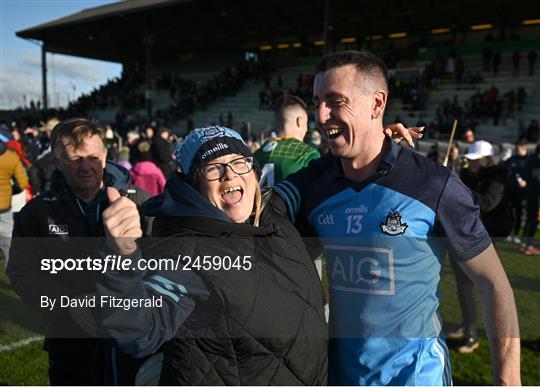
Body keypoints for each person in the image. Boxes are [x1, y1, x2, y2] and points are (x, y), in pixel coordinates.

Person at [274, 50, 520, 385]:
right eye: (317, 101)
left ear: (377, 104)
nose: (321, 114)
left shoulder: (433, 184)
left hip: (417, 377)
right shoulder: (317, 191)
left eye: (335, 101)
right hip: (340, 377)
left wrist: (508, 381)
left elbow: (493, 283)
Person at [98, 126, 328, 385]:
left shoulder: (275, 210)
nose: (229, 174)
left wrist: (378, 140)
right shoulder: (187, 254)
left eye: (238, 162)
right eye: (213, 168)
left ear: (253, 173)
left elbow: (321, 169)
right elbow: (139, 332)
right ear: (194, 187)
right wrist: (122, 256)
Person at [6, 118, 151, 385]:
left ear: (106, 156)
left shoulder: (142, 203)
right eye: (74, 159)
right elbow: (21, 271)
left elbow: (169, 269)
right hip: (70, 343)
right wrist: (69, 303)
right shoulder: (37, 213)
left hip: (135, 342)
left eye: (92, 157)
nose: (85, 166)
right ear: (57, 162)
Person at [449, 140, 514, 353]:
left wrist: (458, 187)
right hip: (467, 234)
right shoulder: (472, 175)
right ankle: (467, 328)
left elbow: (487, 203)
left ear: (487, 159)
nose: (473, 164)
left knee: (486, 289)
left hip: (484, 239)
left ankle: (472, 335)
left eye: (476, 160)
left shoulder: (496, 177)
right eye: (471, 160)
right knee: (463, 286)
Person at [255, 95, 321, 186]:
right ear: (300, 122)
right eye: (306, 123)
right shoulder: (308, 155)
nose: (306, 129)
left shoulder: (255, 155)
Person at [0, 127, 28, 261]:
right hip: (4, 206)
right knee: (7, 243)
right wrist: (11, 191)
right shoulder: (12, 157)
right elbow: (22, 182)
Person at [504, 138, 529, 244]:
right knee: (510, 213)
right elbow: (505, 169)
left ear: (523, 147)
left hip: (522, 192)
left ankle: (517, 234)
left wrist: (526, 181)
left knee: (519, 213)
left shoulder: (529, 160)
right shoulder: (512, 159)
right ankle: (508, 233)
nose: (516, 149)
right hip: (511, 191)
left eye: (518, 147)